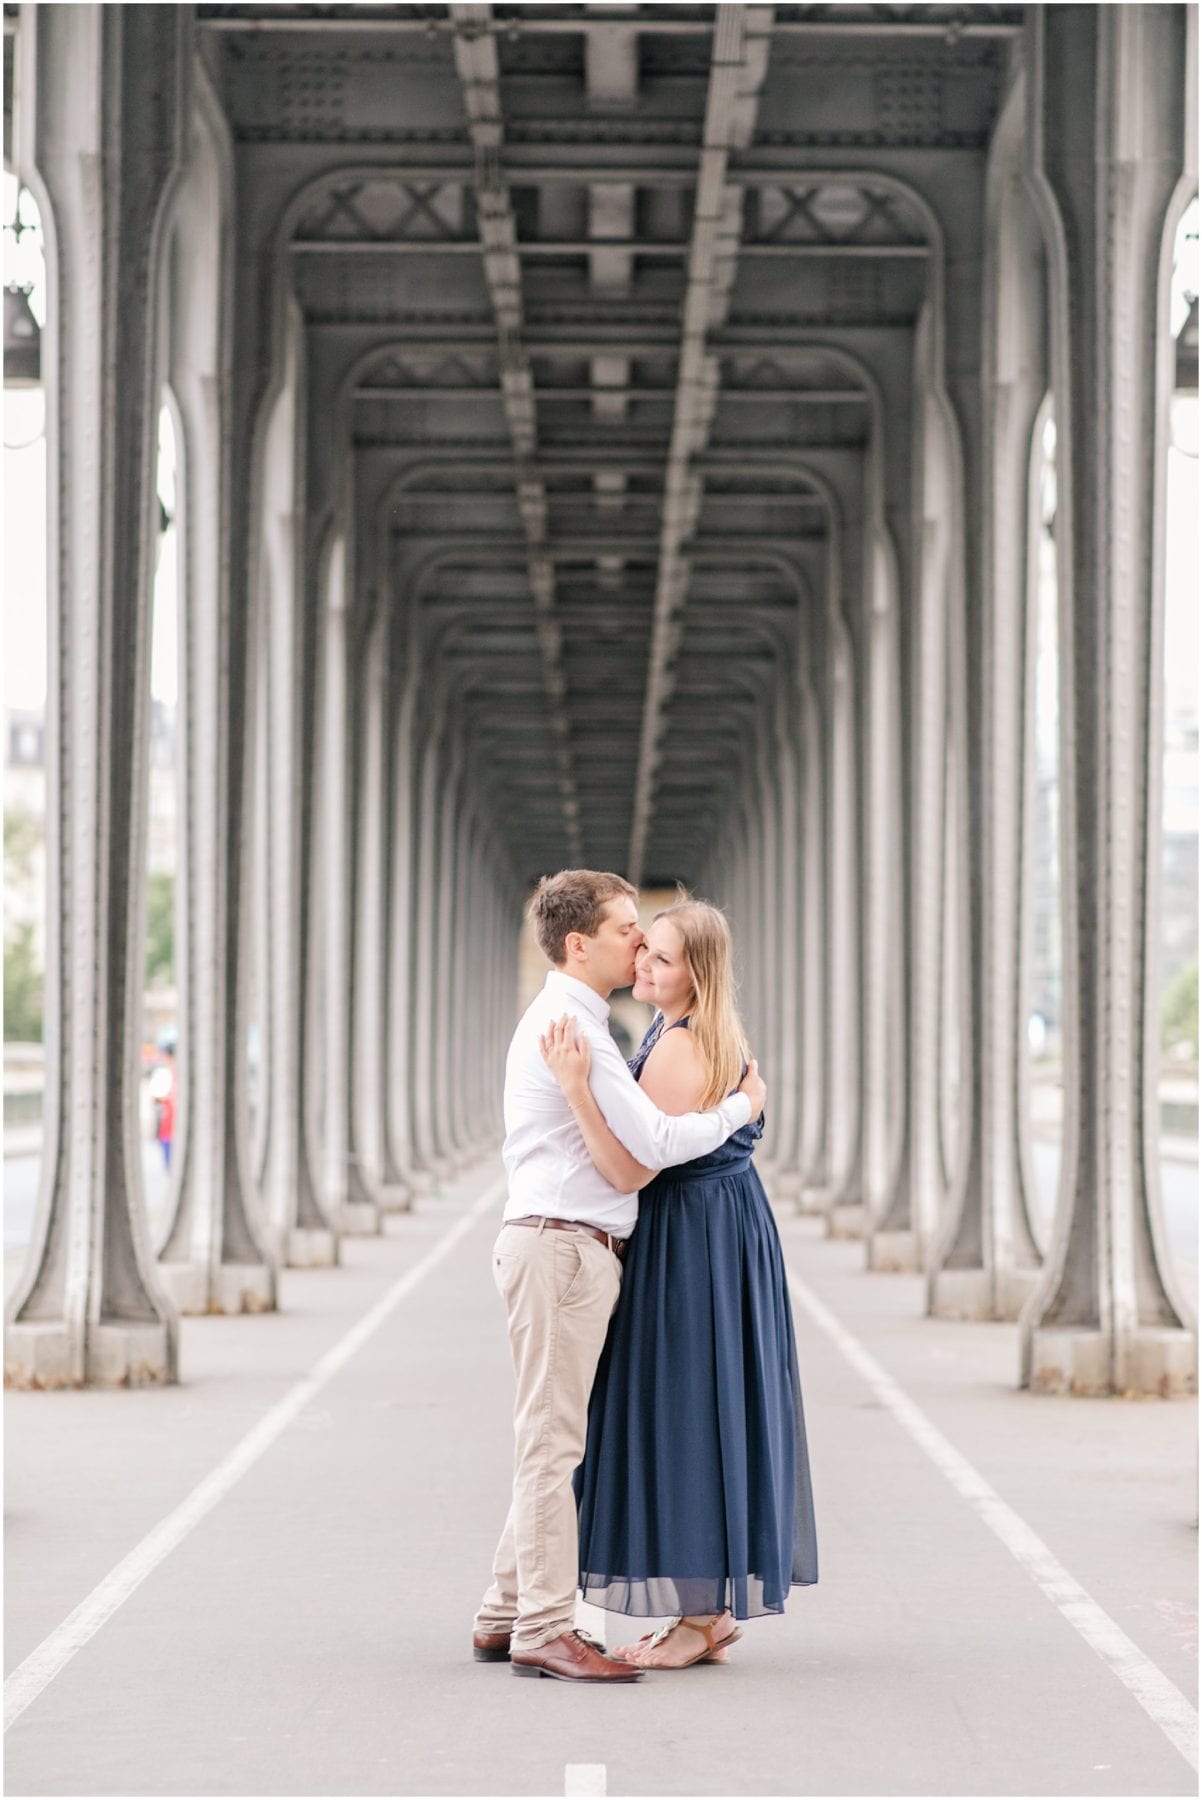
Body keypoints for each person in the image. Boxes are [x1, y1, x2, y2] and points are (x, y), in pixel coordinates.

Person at [472, 870, 767, 1684]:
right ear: (580, 943)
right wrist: (745, 1108)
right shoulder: (578, 1030)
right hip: (562, 1247)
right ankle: (541, 1626)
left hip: (561, 1245)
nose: (636, 942)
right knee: (553, 1442)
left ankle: (505, 1614)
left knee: (553, 1436)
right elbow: (652, 1151)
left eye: (651, 938)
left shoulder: (582, 1024)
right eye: (627, 929)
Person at [539, 899, 817, 1669]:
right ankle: (706, 1611)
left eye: (660, 958)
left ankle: (700, 1618)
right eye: (643, 952)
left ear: (696, 972)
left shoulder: (677, 1047)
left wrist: (575, 1090)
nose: (642, 966)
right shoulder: (685, 1031)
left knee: (686, 1408)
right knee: (707, 1401)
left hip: (692, 1238)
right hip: (715, 1230)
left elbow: (634, 1164)